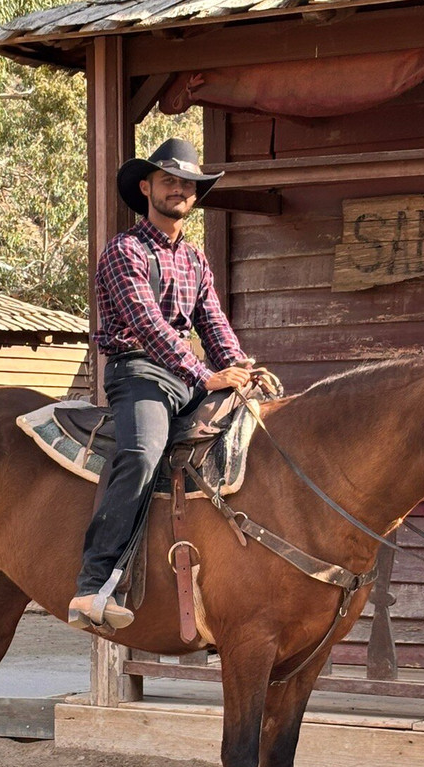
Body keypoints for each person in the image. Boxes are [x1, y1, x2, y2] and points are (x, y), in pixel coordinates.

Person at [68, 138, 254, 631]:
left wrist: (239, 369)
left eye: (187, 183)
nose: (179, 190)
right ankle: (93, 583)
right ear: (146, 187)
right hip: (139, 372)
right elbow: (148, 326)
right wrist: (206, 375)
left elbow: (212, 323)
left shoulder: (195, 260)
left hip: (185, 376)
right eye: (169, 181)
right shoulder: (123, 251)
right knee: (143, 452)